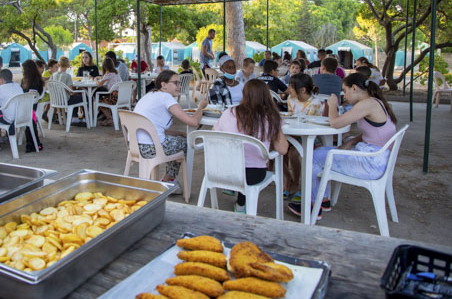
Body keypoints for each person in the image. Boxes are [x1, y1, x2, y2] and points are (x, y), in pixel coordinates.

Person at [288, 73, 398, 220]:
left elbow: (335, 123)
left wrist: (332, 104)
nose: (344, 95)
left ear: (354, 88)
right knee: (321, 153)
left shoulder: (366, 104)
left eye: (345, 91)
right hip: (376, 157)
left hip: (370, 163)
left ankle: (312, 205)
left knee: (313, 157)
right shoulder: (374, 102)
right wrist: (351, 141)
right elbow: (372, 132)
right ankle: (324, 200)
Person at [213, 80, 289, 213]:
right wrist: (276, 125)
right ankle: (242, 204)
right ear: (267, 96)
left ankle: (241, 203)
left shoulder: (229, 112)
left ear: (244, 95)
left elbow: (215, 136)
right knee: (248, 165)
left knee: (240, 161)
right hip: (253, 174)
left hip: (223, 171)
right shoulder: (270, 117)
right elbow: (283, 149)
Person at [134, 70, 208, 187]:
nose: (179, 86)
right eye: (176, 83)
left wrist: (178, 133)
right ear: (163, 85)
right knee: (186, 143)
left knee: (177, 140)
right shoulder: (166, 98)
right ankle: (169, 180)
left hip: (135, 146)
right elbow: (193, 122)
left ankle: (168, 179)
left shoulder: (149, 95)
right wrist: (201, 107)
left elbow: (154, 127)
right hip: (152, 148)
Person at [52, 56, 86, 124]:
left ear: (59, 64)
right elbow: (70, 91)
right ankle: (80, 118)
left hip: (56, 100)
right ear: (68, 65)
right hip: (66, 100)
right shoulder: (67, 76)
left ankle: (73, 117)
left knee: (76, 97)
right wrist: (75, 92)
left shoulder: (54, 75)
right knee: (84, 97)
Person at [21, 60, 43, 153]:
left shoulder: (37, 81)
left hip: (32, 106)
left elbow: (34, 95)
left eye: (23, 69)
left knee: (31, 118)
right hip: (23, 105)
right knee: (30, 118)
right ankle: (33, 143)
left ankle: (33, 143)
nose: (21, 71)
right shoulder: (24, 80)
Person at [95, 57, 122, 126]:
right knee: (104, 97)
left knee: (99, 100)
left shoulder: (108, 74)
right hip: (121, 97)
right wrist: (101, 78)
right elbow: (106, 79)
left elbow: (99, 85)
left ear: (104, 66)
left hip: (113, 98)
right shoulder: (116, 73)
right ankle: (109, 118)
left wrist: (95, 79)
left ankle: (109, 118)